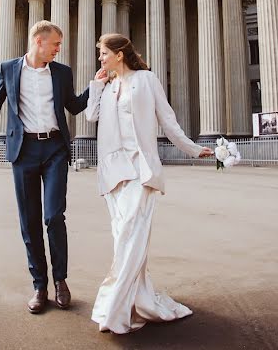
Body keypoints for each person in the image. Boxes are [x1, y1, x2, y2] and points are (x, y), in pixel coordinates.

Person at [84, 33, 214, 334]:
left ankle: (113, 307)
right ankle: (137, 299)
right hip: (114, 170)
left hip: (140, 169)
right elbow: (90, 116)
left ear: (119, 53)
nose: (101, 59)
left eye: (103, 53)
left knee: (131, 234)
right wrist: (96, 84)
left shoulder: (147, 79)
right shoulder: (108, 85)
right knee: (124, 240)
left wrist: (194, 149)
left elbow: (167, 120)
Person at [0, 20, 90, 314]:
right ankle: (40, 285)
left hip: (55, 150)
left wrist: (96, 85)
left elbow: (73, 106)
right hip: (23, 151)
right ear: (39, 41)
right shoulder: (9, 68)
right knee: (30, 221)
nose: (58, 50)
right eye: (55, 45)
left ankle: (60, 280)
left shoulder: (62, 72)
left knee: (54, 216)